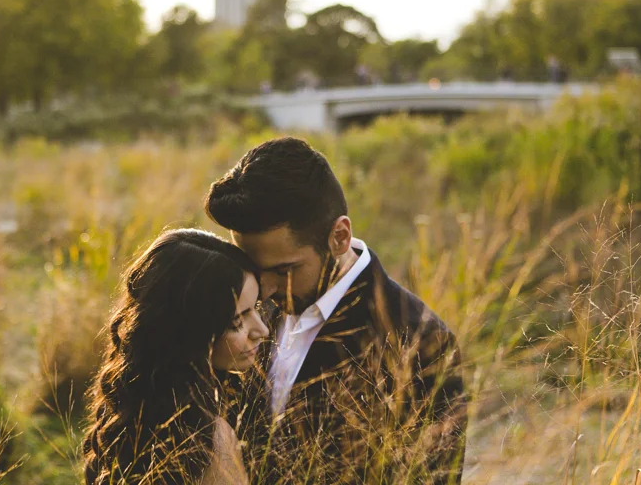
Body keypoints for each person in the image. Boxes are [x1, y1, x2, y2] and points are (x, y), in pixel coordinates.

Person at [205, 137, 467, 484]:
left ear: (340, 236)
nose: (264, 290)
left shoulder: (421, 342)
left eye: (283, 271)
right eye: (254, 269)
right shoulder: (248, 310)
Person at [83, 229, 270, 485]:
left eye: (256, 308)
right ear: (191, 332)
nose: (262, 331)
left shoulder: (129, 400)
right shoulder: (212, 438)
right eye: (237, 321)